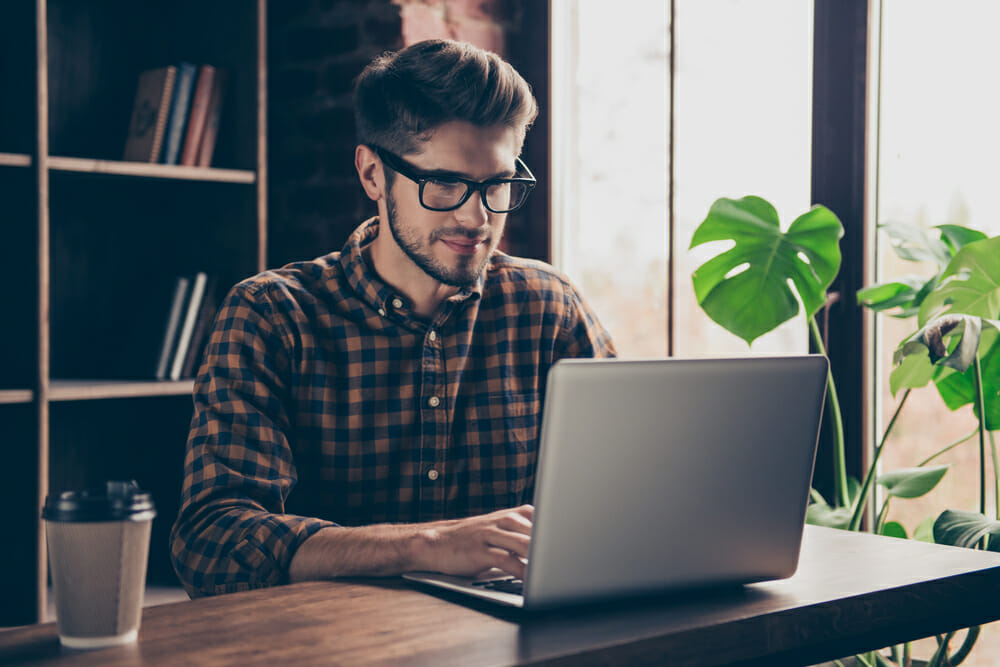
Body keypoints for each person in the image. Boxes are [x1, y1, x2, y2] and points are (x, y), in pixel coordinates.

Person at [170, 38, 615, 598]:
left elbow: (630, 492)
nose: (476, 216)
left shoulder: (550, 308)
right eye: (445, 183)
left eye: (497, 185)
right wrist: (425, 546)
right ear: (373, 175)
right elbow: (213, 542)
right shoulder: (270, 315)